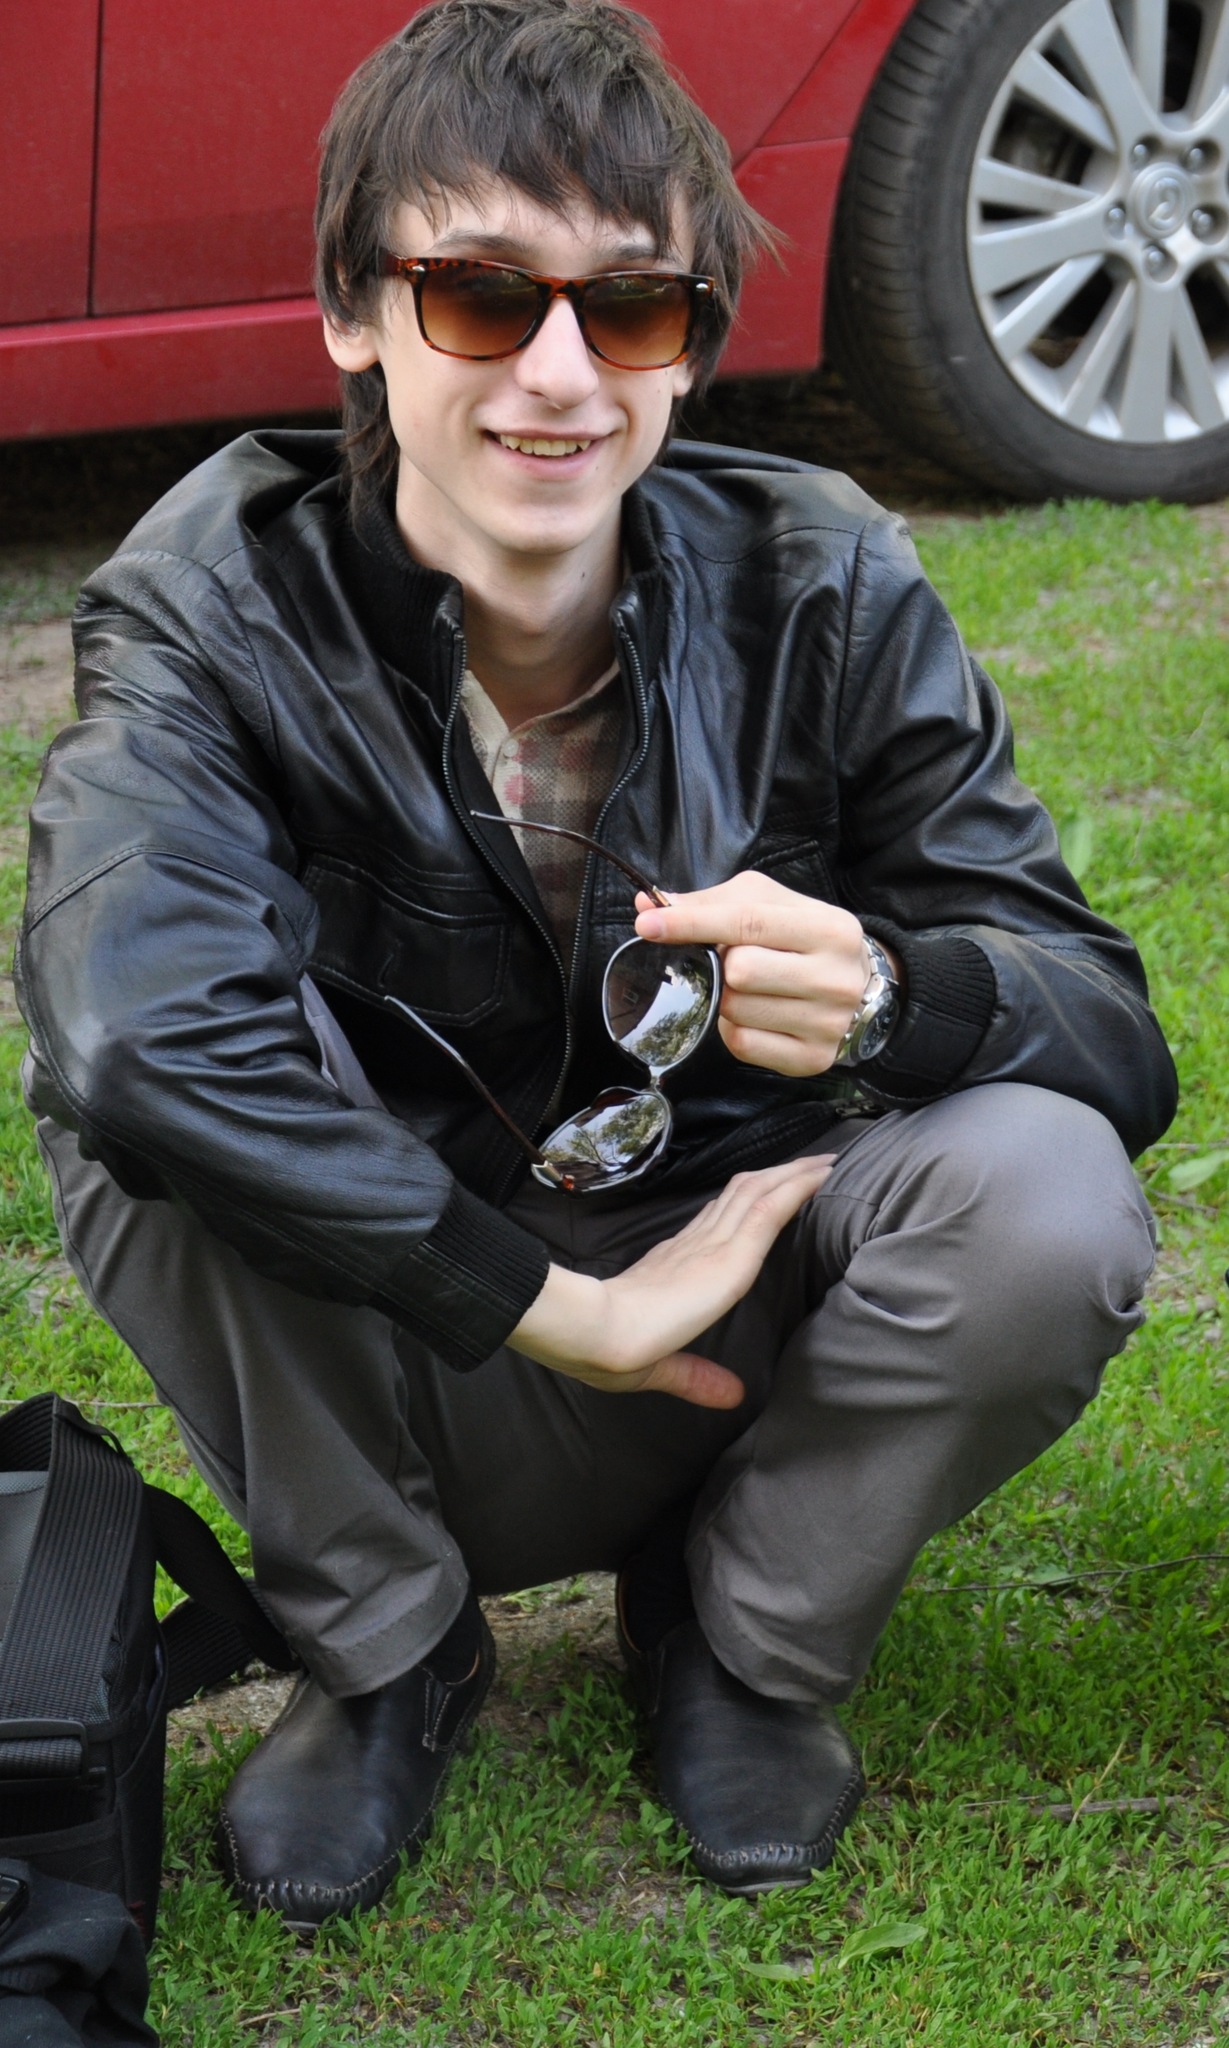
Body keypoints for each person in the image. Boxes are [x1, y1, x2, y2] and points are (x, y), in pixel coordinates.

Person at [17, 0, 1175, 1929]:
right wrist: (549, 1305)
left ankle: (743, 1639)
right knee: (127, 1094)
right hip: (411, 1348)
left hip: (740, 1322)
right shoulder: (212, 599)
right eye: (482, 295)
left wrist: (896, 998)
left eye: (630, 308)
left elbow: (1108, 1034)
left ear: (692, 342)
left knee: (1047, 1190)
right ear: (353, 309)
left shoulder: (822, 573)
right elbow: (135, 1032)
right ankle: (390, 1650)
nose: (558, 375)